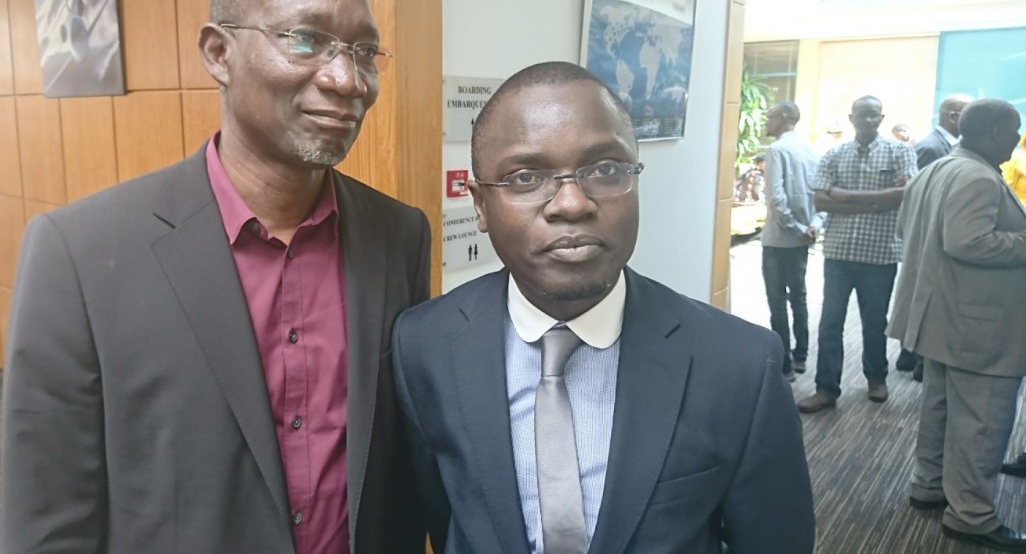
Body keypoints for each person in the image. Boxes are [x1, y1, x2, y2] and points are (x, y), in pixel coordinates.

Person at [1, 0, 431, 554]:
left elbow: (395, 466)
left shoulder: (399, 234)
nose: (347, 79)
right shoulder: (80, 253)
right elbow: (49, 520)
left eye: (363, 51)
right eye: (305, 38)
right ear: (218, 53)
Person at [393, 61, 814, 554]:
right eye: (526, 176)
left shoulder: (740, 364)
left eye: (605, 170)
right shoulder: (424, 345)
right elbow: (440, 517)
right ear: (480, 206)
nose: (571, 203)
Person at [886, 99, 1026, 551]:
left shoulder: (938, 169)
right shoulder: (978, 177)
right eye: (1015, 130)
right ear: (995, 133)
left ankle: (929, 485)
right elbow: (968, 241)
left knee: (941, 409)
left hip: (942, 316)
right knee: (982, 420)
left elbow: (914, 229)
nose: (1018, 139)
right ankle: (971, 514)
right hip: (976, 325)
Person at [797, 96, 918, 413]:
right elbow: (821, 201)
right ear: (851, 118)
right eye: (861, 115)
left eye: (873, 115)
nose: (867, 120)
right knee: (830, 324)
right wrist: (878, 201)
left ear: (881, 118)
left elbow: (905, 195)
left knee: (875, 322)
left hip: (880, 255)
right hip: (839, 252)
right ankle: (826, 389)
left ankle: (876, 379)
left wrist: (846, 195)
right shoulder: (834, 154)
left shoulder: (901, 152)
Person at [896, 94, 972, 380]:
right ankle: (916, 359)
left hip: (931, 239)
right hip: (927, 239)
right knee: (923, 300)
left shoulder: (945, 146)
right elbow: (919, 196)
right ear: (954, 117)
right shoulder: (931, 147)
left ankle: (910, 355)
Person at [761, 102, 823, 381]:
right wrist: (812, 227)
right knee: (799, 297)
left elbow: (775, 198)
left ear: (783, 118)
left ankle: (784, 364)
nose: (766, 121)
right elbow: (821, 195)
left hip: (779, 240)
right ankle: (801, 356)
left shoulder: (776, 150)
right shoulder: (811, 150)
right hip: (803, 240)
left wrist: (794, 227)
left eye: (769, 117)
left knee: (777, 300)